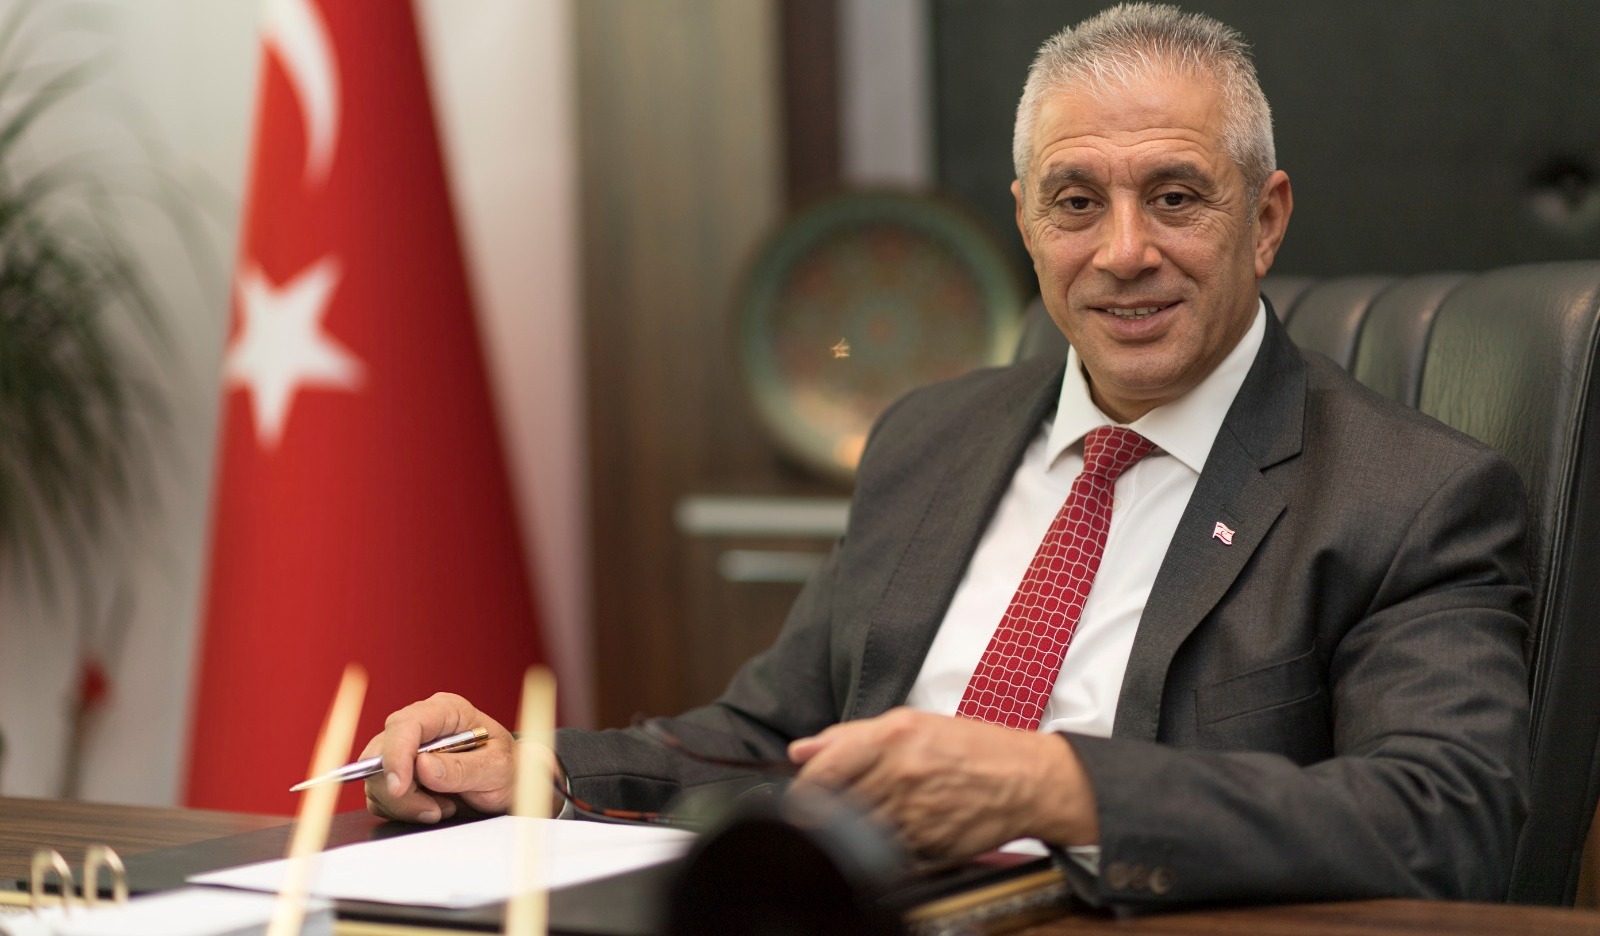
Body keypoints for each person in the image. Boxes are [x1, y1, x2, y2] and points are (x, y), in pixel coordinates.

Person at [364, 3, 1530, 907]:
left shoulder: (1410, 497)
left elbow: (1445, 819)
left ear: (1265, 219)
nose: (1124, 252)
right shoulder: (930, 439)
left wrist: (1059, 786)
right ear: (1025, 220)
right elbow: (769, 743)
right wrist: (543, 773)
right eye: (1076, 203)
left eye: (1175, 197)